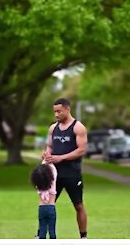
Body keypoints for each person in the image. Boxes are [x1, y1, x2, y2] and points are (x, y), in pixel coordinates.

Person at [38, 98, 88, 239]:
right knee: (46, 204)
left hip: (72, 174)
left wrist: (61, 157)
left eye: (59, 111)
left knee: (78, 206)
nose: (56, 114)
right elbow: (49, 146)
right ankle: (40, 234)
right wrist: (46, 153)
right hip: (53, 174)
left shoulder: (78, 127)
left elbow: (81, 150)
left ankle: (83, 237)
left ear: (68, 109)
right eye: (54, 112)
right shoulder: (53, 128)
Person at [31, 162, 58, 239]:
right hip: (51, 208)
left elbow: (40, 172)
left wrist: (44, 162)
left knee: (42, 230)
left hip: (41, 208)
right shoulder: (52, 186)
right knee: (52, 231)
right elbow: (54, 172)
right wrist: (49, 161)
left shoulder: (39, 187)